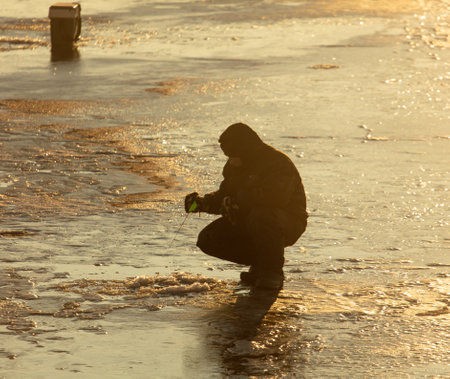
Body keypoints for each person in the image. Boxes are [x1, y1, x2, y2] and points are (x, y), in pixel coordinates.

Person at [184, 123, 308, 290]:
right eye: (228, 155)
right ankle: (260, 264)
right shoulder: (234, 166)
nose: (230, 160)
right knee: (208, 238)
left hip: (287, 221)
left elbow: (277, 198)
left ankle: (272, 272)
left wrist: (238, 202)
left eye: (233, 155)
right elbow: (225, 195)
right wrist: (201, 203)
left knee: (261, 215)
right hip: (249, 219)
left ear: (245, 150)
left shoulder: (277, 162)